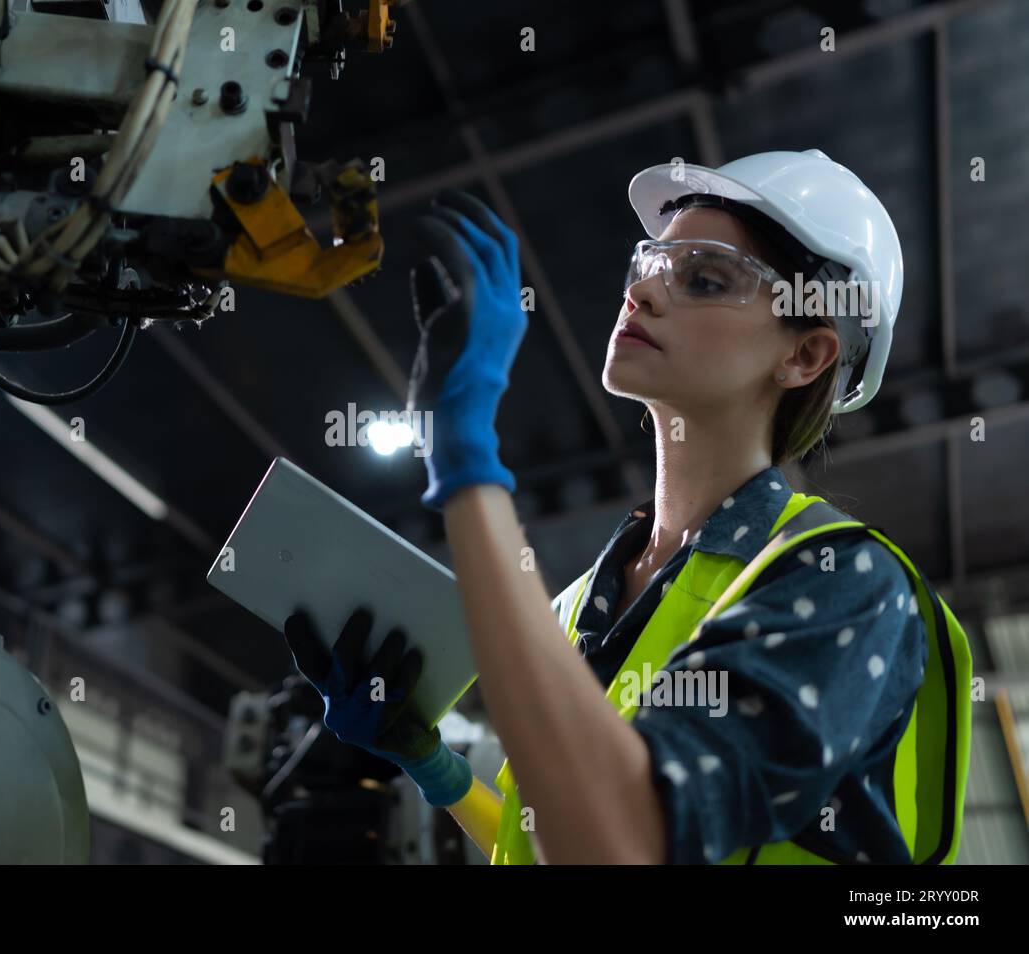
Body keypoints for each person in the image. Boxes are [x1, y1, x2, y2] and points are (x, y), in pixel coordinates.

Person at [282, 150, 972, 864]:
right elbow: (552, 839)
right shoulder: (576, 609)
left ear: (805, 356)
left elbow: (630, 834)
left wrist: (464, 463)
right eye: (647, 265)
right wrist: (430, 763)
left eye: (704, 278)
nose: (641, 294)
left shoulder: (842, 581)